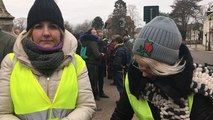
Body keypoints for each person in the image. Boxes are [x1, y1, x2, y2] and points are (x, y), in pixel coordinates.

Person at [0, 0, 96, 120]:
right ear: (30, 32)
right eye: (39, 26)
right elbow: (3, 113)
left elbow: (86, 106)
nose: (46, 33)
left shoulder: (76, 62)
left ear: (61, 32)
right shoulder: (10, 63)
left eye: (53, 26)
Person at [111, 16, 213, 120]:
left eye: (149, 68)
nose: (143, 74)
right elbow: (120, 115)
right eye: (139, 64)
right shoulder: (134, 76)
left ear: (167, 65)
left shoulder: (200, 85)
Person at [111, 35, 130, 102]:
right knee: (124, 86)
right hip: (124, 69)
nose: (113, 43)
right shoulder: (125, 48)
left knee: (120, 86)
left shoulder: (119, 50)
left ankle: (122, 101)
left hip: (120, 71)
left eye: (114, 41)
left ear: (116, 42)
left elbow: (117, 63)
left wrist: (114, 69)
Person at [96, 30, 109, 98]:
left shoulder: (104, 43)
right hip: (96, 63)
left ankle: (101, 92)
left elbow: (106, 51)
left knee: (101, 79)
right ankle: (96, 93)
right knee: (96, 79)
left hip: (102, 63)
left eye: (101, 36)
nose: (100, 37)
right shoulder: (95, 43)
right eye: (99, 36)